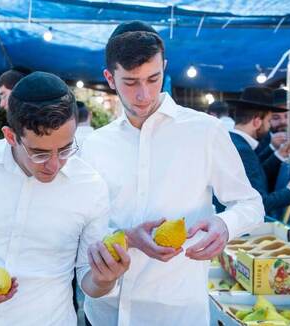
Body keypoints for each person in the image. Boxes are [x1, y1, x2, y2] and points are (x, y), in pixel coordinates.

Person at [80, 21, 264, 326]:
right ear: (110, 78)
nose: (144, 94)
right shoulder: (96, 144)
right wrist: (127, 238)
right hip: (104, 312)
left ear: (164, 67)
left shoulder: (205, 131)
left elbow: (251, 204)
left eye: (154, 78)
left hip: (175, 312)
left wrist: (225, 224)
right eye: (130, 82)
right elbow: (87, 225)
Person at [0, 72, 130, 325]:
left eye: (66, 148)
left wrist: (105, 278)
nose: (55, 165)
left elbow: (88, 281)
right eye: (40, 153)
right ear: (10, 136)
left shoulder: (90, 186)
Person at [227, 87, 290, 215]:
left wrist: (278, 155)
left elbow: (255, 173)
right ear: (257, 122)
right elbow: (259, 203)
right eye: (269, 120)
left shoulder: (232, 141)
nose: (269, 126)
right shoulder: (243, 150)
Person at [257, 89, 290, 166]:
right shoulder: (259, 145)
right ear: (267, 119)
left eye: (287, 116)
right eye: (275, 118)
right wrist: (271, 147)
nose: (283, 121)